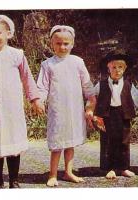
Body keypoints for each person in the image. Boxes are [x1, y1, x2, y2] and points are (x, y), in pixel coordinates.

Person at [0, 15, 44, 188]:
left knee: (13, 143)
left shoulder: (17, 55)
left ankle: (14, 179)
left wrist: (35, 99)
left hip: (12, 109)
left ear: (8, 34)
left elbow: (27, 78)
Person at [37, 25, 96, 186]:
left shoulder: (77, 62)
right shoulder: (47, 65)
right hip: (57, 109)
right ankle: (53, 174)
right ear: (52, 44)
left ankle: (68, 172)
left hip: (74, 108)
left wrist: (91, 99)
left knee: (70, 142)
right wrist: (39, 100)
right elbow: (42, 86)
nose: (62, 47)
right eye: (58, 43)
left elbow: (86, 83)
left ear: (72, 44)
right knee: (57, 142)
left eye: (66, 43)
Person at [86, 50, 138, 179]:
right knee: (107, 141)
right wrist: (90, 110)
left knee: (124, 141)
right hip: (106, 115)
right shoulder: (101, 84)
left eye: (120, 67)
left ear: (125, 68)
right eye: (114, 67)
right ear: (108, 68)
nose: (117, 70)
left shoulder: (129, 84)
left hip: (123, 114)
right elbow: (92, 98)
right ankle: (109, 168)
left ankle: (123, 167)